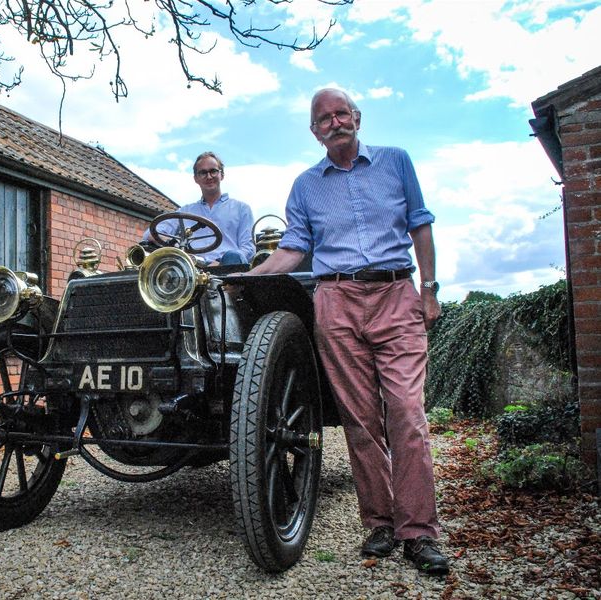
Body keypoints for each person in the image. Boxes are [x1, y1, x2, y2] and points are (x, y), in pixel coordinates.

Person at [241, 88, 449, 575]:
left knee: (406, 414)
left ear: (356, 117)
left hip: (396, 294)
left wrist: (431, 289)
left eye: (341, 114)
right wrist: (251, 278)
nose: (334, 123)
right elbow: (294, 248)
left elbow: (420, 225)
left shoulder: (397, 162)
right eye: (323, 119)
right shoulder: (305, 185)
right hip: (334, 302)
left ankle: (418, 532)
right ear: (314, 131)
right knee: (360, 421)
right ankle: (379, 523)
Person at [145, 151, 255, 266]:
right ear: (196, 179)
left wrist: (221, 264)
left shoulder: (241, 209)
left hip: (227, 269)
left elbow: (248, 249)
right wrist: (175, 245)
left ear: (222, 175)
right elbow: (150, 233)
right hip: (191, 268)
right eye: (203, 173)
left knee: (233, 257)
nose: (209, 177)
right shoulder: (184, 212)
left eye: (213, 171)